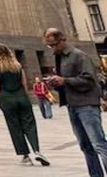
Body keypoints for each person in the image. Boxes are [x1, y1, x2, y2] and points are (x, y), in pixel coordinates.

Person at [45, 27, 107, 177]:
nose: (51, 48)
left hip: (87, 105)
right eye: (49, 45)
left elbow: (89, 80)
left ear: (62, 40)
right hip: (72, 105)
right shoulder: (60, 57)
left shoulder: (79, 56)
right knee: (85, 146)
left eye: (53, 44)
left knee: (98, 143)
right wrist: (55, 82)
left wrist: (64, 80)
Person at [0, 44, 48, 166]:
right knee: (30, 124)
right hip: (21, 97)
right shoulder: (18, 66)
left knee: (14, 127)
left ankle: (25, 156)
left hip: (6, 98)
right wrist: (24, 96)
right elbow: (24, 83)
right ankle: (37, 151)